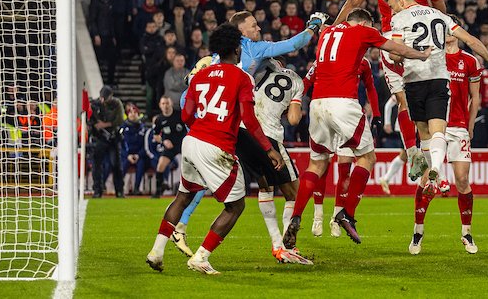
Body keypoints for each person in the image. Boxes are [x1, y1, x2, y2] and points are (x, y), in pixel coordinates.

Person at [283, 8, 432, 249]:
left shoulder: (327, 32)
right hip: (344, 102)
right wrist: (421, 55)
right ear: (363, 22)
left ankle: (296, 216)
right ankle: (346, 213)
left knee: (317, 163)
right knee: (367, 158)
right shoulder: (363, 31)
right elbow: (396, 49)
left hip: (318, 103)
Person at [146, 23, 284, 275]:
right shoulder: (243, 78)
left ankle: (156, 251)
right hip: (215, 145)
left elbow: (187, 114)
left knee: (183, 196)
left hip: (191, 141)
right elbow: (250, 121)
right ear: (235, 49)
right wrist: (268, 149)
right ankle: (201, 257)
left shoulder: (199, 76)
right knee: (236, 206)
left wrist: (201, 127)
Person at [332, 0, 447, 181]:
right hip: (420, 43)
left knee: (402, 100)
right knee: (426, 100)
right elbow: (440, 13)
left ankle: (413, 152)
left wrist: (334, 27)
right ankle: (430, 161)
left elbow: (354, 2)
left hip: (390, 39)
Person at [385, 0, 488, 197]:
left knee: (425, 134)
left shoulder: (399, 19)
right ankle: (437, 172)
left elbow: (396, 54)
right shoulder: (440, 15)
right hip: (439, 79)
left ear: (402, 1)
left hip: (414, 80)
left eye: (393, 6)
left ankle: (438, 177)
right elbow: (470, 40)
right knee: (438, 131)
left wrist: (395, 53)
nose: (392, 11)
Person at [409, 14, 481, 255]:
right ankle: (418, 232)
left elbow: (476, 97)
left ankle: (467, 233)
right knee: (427, 181)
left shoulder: (469, 61)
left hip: (459, 126)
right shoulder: (432, 57)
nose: (447, 33)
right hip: (434, 126)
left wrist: (470, 126)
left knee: (462, 180)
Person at [304, 56, 382, 237]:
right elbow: (306, 82)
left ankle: (336, 217)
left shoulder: (363, 61)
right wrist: (296, 102)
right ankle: (318, 215)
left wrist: (375, 112)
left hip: (349, 117)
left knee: (344, 170)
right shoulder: (324, 59)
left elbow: (370, 87)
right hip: (325, 113)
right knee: (322, 166)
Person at [251, 57, 313, 264]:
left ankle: (277, 243)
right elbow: (294, 120)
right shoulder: (297, 81)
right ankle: (287, 246)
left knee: (265, 189)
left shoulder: (261, 64)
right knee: (294, 194)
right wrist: (285, 106)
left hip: (246, 133)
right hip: (269, 135)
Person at [89, 85, 126, 198]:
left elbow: (120, 120)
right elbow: (89, 118)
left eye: (105, 97)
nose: (103, 100)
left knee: (116, 165)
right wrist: (94, 125)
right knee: (96, 165)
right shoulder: (95, 104)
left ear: (111, 96)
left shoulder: (116, 104)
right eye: (101, 97)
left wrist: (104, 125)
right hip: (99, 137)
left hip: (113, 138)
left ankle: (119, 190)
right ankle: (97, 190)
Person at [150, 95, 186, 198]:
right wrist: (163, 141)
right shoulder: (159, 119)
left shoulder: (179, 115)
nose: (165, 106)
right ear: (160, 106)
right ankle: (158, 192)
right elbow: (156, 135)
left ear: (171, 104)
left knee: (192, 166)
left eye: (167, 103)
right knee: (160, 165)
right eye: (163, 104)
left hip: (183, 145)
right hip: (170, 146)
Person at [88, 0, 118, 87]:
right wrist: (96, 34)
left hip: (109, 35)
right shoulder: (95, 2)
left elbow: (111, 21)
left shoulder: (109, 1)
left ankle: (110, 82)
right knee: (99, 59)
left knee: (112, 59)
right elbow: (93, 20)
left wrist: (113, 35)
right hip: (100, 35)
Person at [120, 104, 148, 195]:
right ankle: (119, 188)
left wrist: (139, 155)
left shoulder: (143, 128)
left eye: (135, 112)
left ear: (138, 114)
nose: (132, 114)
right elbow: (119, 144)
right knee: (122, 165)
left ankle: (136, 187)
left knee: (141, 165)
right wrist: (127, 155)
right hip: (127, 155)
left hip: (139, 155)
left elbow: (146, 145)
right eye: (130, 112)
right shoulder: (123, 127)